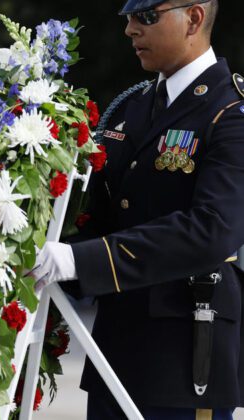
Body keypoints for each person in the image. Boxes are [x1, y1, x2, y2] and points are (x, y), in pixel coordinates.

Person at [31, 1, 244, 419]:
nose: (130, 29)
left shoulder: (230, 113)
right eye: (127, 17)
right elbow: (108, 217)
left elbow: (212, 230)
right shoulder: (134, 106)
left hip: (183, 360)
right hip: (115, 349)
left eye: (145, 16)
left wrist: (77, 259)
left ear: (194, 19)